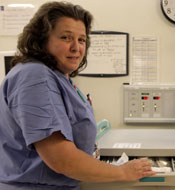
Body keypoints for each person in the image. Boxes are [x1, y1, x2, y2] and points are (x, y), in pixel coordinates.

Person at [0, 2, 155, 189]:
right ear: (41, 40)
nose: (76, 48)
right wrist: (123, 172)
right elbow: (61, 159)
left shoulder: (57, 77)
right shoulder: (35, 76)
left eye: (82, 40)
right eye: (66, 38)